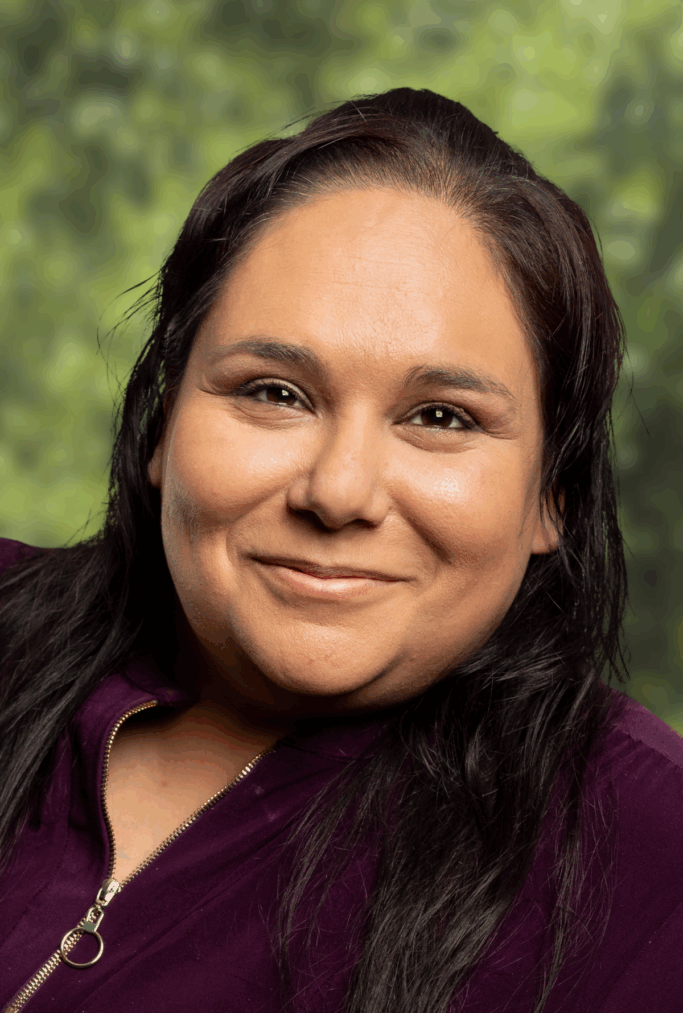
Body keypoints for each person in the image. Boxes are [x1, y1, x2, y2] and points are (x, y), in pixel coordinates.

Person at [0, 87, 681, 1013]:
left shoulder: (653, 859)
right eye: (274, 393)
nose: (338, 492)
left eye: (441, 417)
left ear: (548, 497)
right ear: (162, 423)